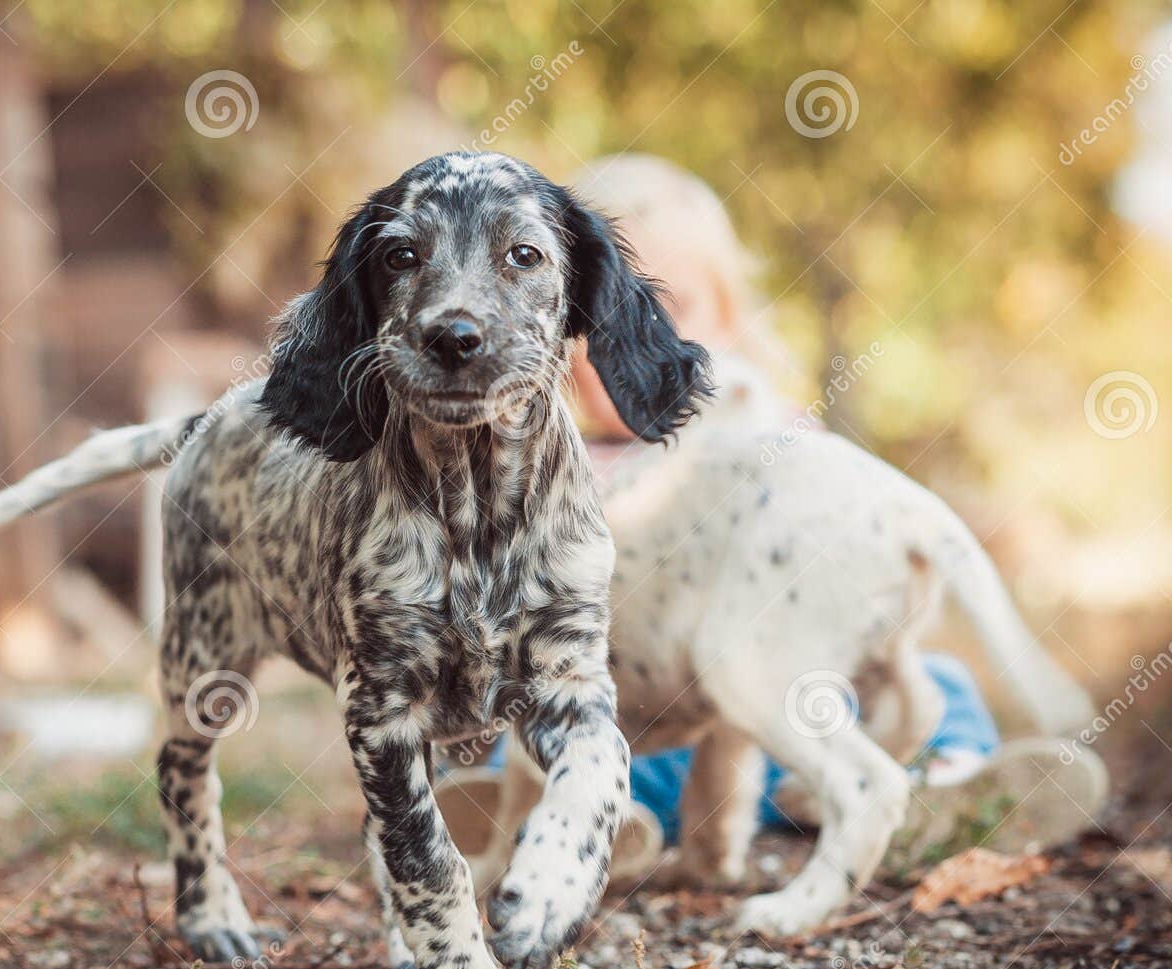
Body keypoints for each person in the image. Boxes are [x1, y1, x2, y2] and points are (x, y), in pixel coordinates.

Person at [436, 154, 1107, 888]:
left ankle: (947, 785)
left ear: (728, 319)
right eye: (595, 314)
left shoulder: (770, 432)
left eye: (667, 309)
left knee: (934, 680)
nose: (622, 339)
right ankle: (597, 821)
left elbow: (844, 534)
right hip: (653, 736)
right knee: (532, 726)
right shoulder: (547, 458)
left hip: (795, 703)